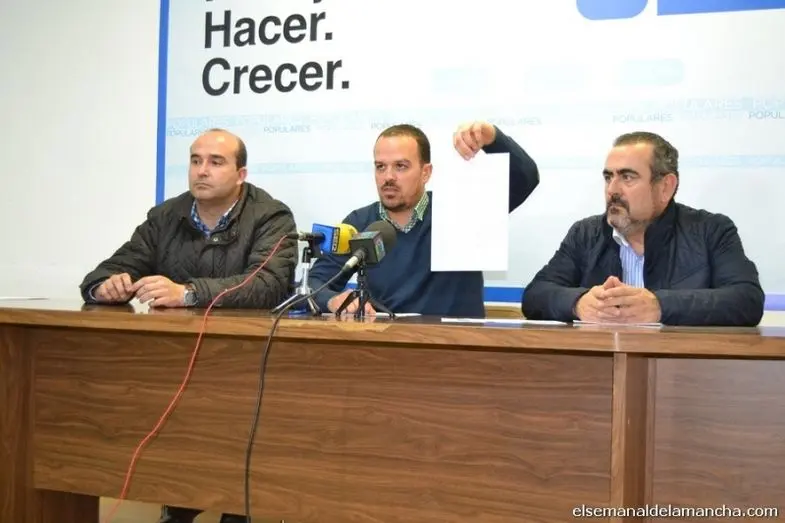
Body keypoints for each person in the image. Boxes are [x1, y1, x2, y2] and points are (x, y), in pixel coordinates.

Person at [79, 128, 299, 523]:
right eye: (196, 160)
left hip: (246, 369)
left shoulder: (272, 216)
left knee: (238, 453)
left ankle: (238, 512)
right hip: (178, 370)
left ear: (241, 174)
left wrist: (188, 293)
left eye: (215, 162)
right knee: (177, 450)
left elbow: (267, 285)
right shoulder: (166, 216)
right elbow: (107, 270)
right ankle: (177, 504)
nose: (202, 170)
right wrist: (106, 286)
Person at [521, 131, 764, 326]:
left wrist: (659, 306)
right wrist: (578, 303)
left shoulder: (711, 231)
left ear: (666, 187)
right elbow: (536, 295)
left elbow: (746, 300)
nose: (612, 190)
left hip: (681, 367)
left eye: (627, 177)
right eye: (608, 177)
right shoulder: (585, 234)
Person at [306, 121, 540, 317]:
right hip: (385, 345)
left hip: (455, 346)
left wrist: (494, 138)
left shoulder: (461, 210)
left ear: (426, 172)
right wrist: (333, 300)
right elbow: (314, 284)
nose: (388, 177)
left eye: (400, 166)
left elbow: (527, 178)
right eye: (380, 167)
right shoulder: (360, 222)